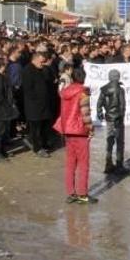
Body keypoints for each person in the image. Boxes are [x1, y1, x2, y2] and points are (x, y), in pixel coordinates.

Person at [54, 68, 96, 204]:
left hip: (67, 130)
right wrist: (90, 129)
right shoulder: (83, 93)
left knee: (70, 163)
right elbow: (85, 114)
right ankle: (82, 194)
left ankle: (71, 193)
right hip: (79, 131)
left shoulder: (65, 92)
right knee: (83, 163)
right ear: (84, 78)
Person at [22, 53, 54, 157]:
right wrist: (37, 98)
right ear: (35, 60)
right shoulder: (27, 71)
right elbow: (27, 89)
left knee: (45, 126)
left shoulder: (41, 69)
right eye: (41, 62)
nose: (43, 64)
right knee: (35, 128)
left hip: (44, 104)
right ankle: (37, 148)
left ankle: (44, 144)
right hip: (34, 105)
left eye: (44, 61)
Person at [97, 69, 128, 174]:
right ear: (118, 77)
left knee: (110, 140)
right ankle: (119, 165)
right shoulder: (120, 90)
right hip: (118, 118)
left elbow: (99, 103)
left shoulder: (104, 89)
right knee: (120, 141)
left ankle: (108, 163)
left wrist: (100, 113)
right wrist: (122, 117)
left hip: (109, 118)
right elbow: (122, 105)